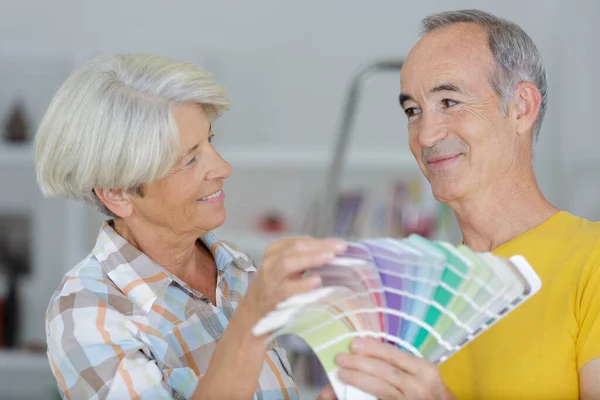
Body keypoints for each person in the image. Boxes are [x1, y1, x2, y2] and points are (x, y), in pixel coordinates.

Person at [318, 8, 600, 400]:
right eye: (413, 111)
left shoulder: (591, 261)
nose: (427, 135)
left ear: (521, 108)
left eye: (449, 101)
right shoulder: (415, 295)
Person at [35, 53, 349, 399]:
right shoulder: (86, 313)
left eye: (210, 142)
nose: (223, 168)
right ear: (118, 193)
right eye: (189, 159)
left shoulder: (235, 266)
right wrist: (251, 323)